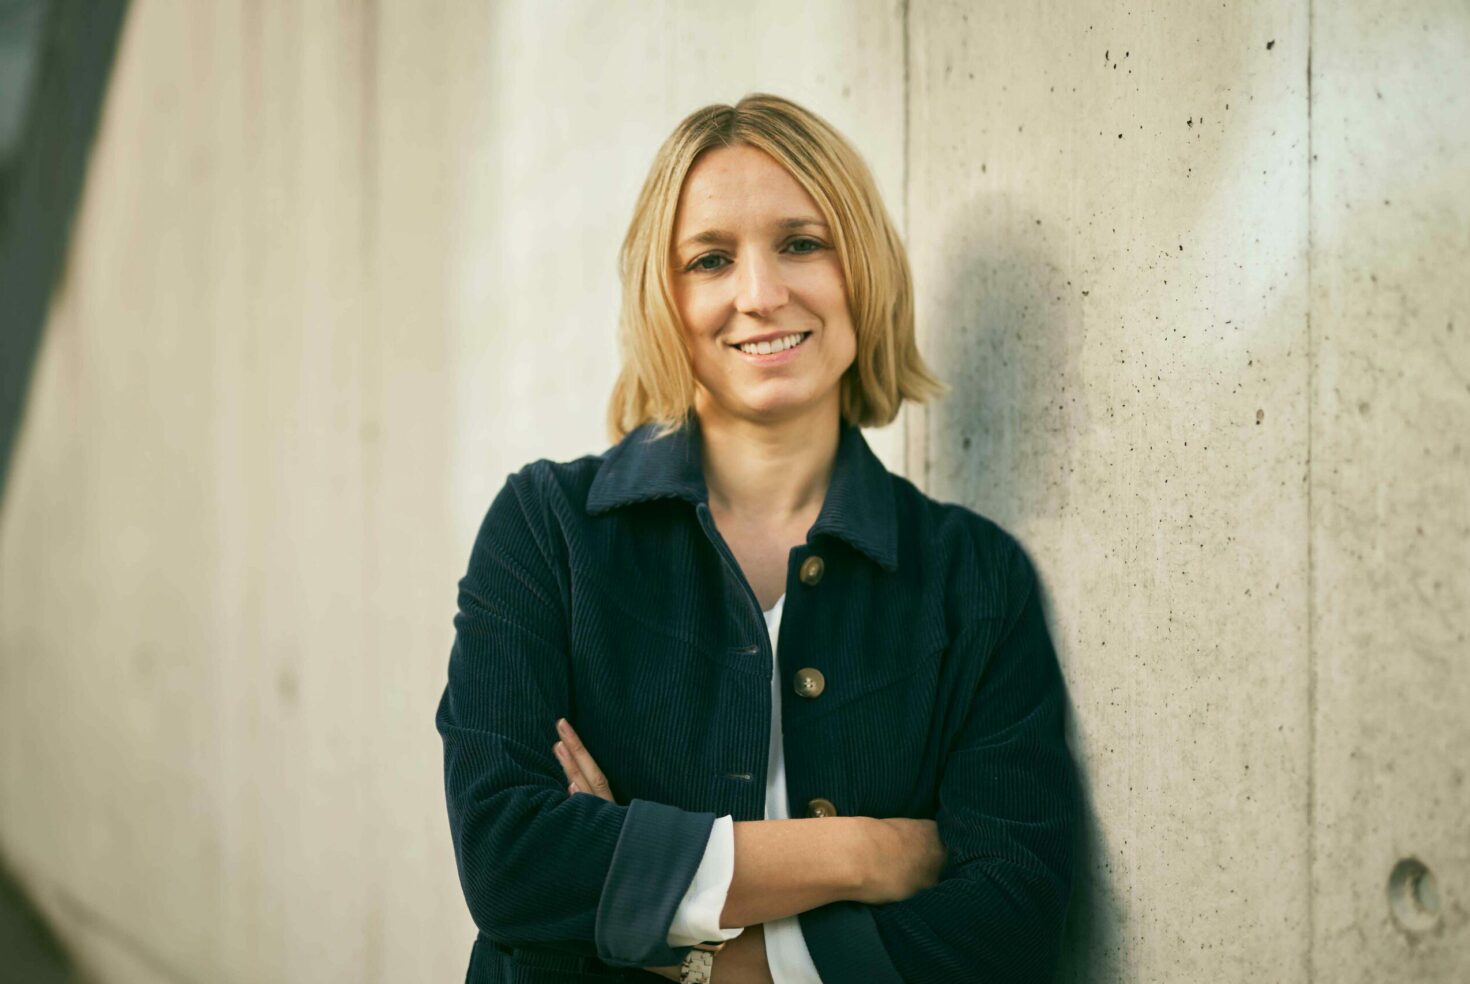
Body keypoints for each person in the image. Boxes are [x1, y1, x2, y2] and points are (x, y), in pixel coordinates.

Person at [436, 92, 1079, 984]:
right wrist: (865, 854)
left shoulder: (972, 578)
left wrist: (676, 939)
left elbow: (1009, 922)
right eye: (710, 259)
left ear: (862, 268)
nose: (761, 294)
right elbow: (512, 861)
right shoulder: (547, 531)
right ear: (664, 298)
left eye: (802, 243)